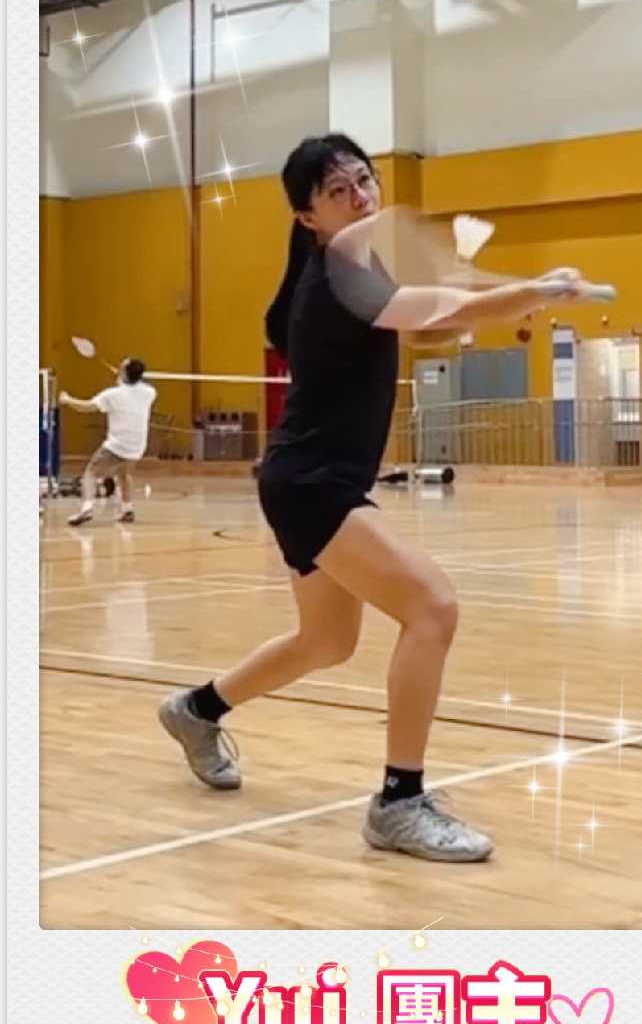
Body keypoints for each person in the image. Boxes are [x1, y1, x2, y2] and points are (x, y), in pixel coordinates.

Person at [159, 133, 591, 862]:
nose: (360, 196)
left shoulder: (357, 275)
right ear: (309, 217)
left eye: (364, 180)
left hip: (311, 480)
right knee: (433, 607)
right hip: (313, 484)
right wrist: (534, 289)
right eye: (338, 191)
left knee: (326, 642)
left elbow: (429, 329)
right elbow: (441, 310)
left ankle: (196, 709)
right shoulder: (338, 280)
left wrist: (509, 301)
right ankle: (399, 801)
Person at [58, 357, 156, 526]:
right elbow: (135, 390)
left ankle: (87, 508)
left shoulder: (111, 395)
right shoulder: (149, 392)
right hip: (137, 448)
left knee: (91, 473)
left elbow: (87, 407)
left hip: (116, 446)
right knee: (124, 473)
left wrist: (67, 400)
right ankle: (127, 510)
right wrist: (125, 380)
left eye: (121, 367)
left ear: (124, 373)